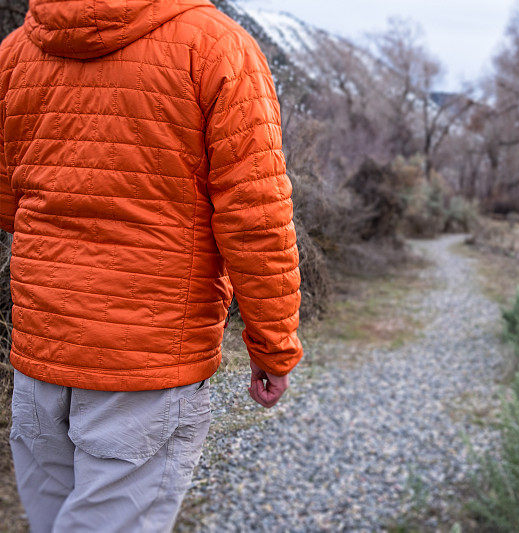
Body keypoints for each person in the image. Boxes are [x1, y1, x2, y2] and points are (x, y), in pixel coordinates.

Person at [0, 0, 302, 530]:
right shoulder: (216, 46)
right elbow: (255, 217)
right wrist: (272, 344)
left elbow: (9, 203)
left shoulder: (17, 51)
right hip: (147, 360)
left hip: (41, 350)